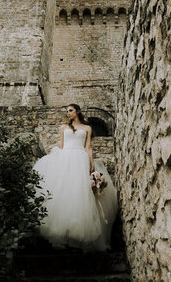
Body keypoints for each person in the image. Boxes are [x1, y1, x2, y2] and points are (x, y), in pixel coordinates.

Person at [33, 104, 118, 251]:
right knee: (63, 190)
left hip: (80, 158)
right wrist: (54, 157)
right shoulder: (64, 128)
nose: (68, 113)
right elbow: (61, 145)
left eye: (70, 110)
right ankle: (62, 231)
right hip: (65, 158)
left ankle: (78, 232)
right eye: (67, 111)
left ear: (77, 112)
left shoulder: (87, 128)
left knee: (79, 192)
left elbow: (88, 147)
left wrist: (91, 164)